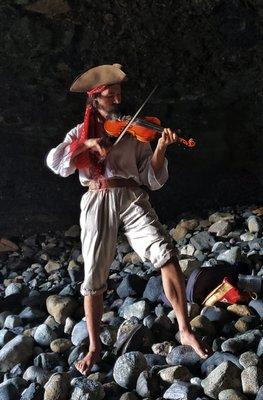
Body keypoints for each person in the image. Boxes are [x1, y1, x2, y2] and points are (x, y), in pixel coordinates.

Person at [46, 64, 211, 376]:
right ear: (94, 101)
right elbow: (56, 163)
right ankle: (94, 346)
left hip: (132, 197)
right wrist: (86, 144)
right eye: (111, 97)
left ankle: (185, 330)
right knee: (94, 276)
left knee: (166, 254)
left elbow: (152, 177)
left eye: (120, 95)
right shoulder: (78, 133)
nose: (119, 102)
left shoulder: (135, 130)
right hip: (96, 199)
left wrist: (160, 148)